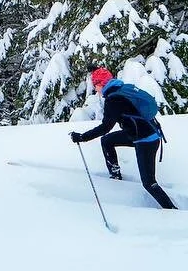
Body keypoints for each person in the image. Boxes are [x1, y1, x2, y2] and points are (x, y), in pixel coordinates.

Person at [70, 67, 176, 209]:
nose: (96, 90)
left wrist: (82, 137)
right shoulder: (121, 89)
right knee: (107, 141)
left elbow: (105, 127)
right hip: (144, 134)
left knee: (149, 183)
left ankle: (172, 210)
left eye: (96, 85)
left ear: (101, 84)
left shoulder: (113, 99)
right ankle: (115, 177)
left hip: (146, 140)